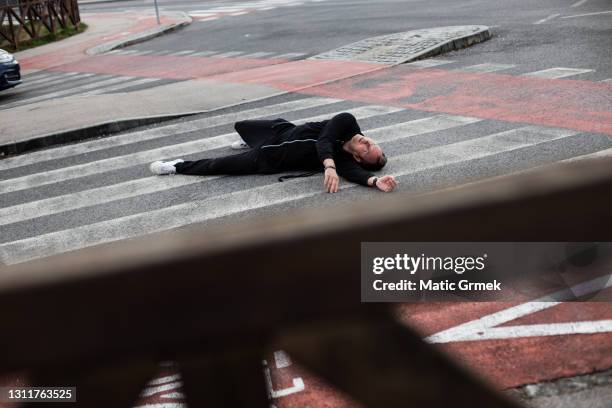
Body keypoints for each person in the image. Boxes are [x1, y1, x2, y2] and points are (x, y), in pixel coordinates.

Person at [150, 112, 397, 193]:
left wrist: (375, 181)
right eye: (372, 142)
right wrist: (329, 166)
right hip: (280, 130)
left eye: (367, 149)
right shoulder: (347, 122)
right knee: (241, 126)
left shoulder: (345, 161)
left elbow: (353, 173)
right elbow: (324, 140)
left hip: (267, 158)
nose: (366, 141)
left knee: (219, 164)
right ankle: (250, 141)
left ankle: (177, 166)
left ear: (357, 157)